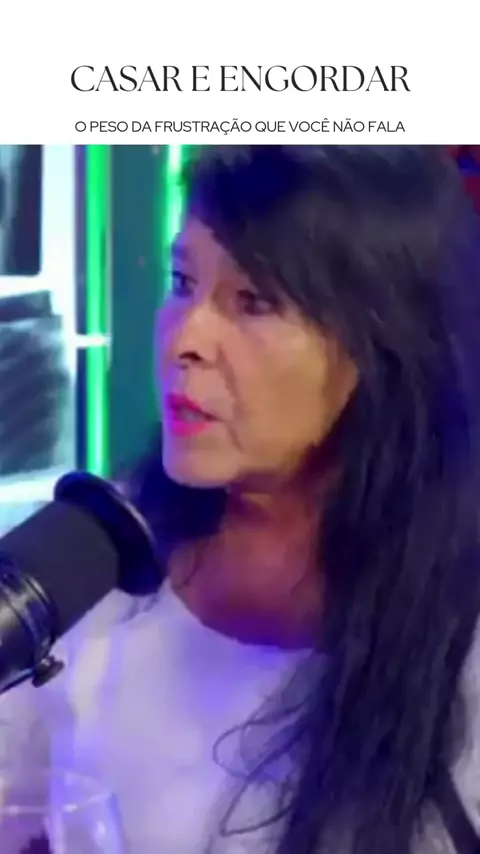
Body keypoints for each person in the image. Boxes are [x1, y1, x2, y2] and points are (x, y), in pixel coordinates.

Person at [2, 145, 480, 854]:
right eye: (182, 282)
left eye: (255, 301)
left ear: (390, 346)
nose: (184, 339)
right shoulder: (90, 555)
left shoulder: (461, 618)